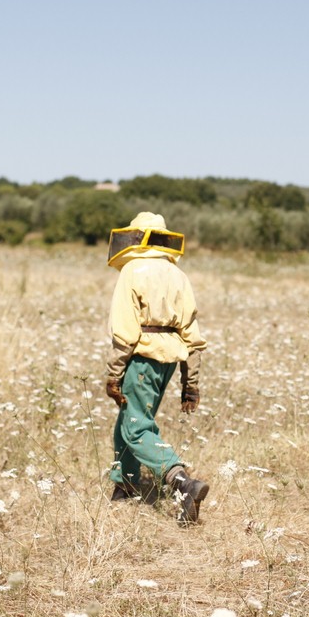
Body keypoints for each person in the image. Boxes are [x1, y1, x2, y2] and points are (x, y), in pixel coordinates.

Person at [104, 212, 210, 524]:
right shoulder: (178, 274)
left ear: (136, 237)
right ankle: (125, 487)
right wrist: (191, 384)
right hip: (170, 360)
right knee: (130, 419)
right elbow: (193, 335)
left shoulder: (133, 269)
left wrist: (113, 373)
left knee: (136, 427)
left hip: (141, 357)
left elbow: (124, 330)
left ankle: (182, 482)